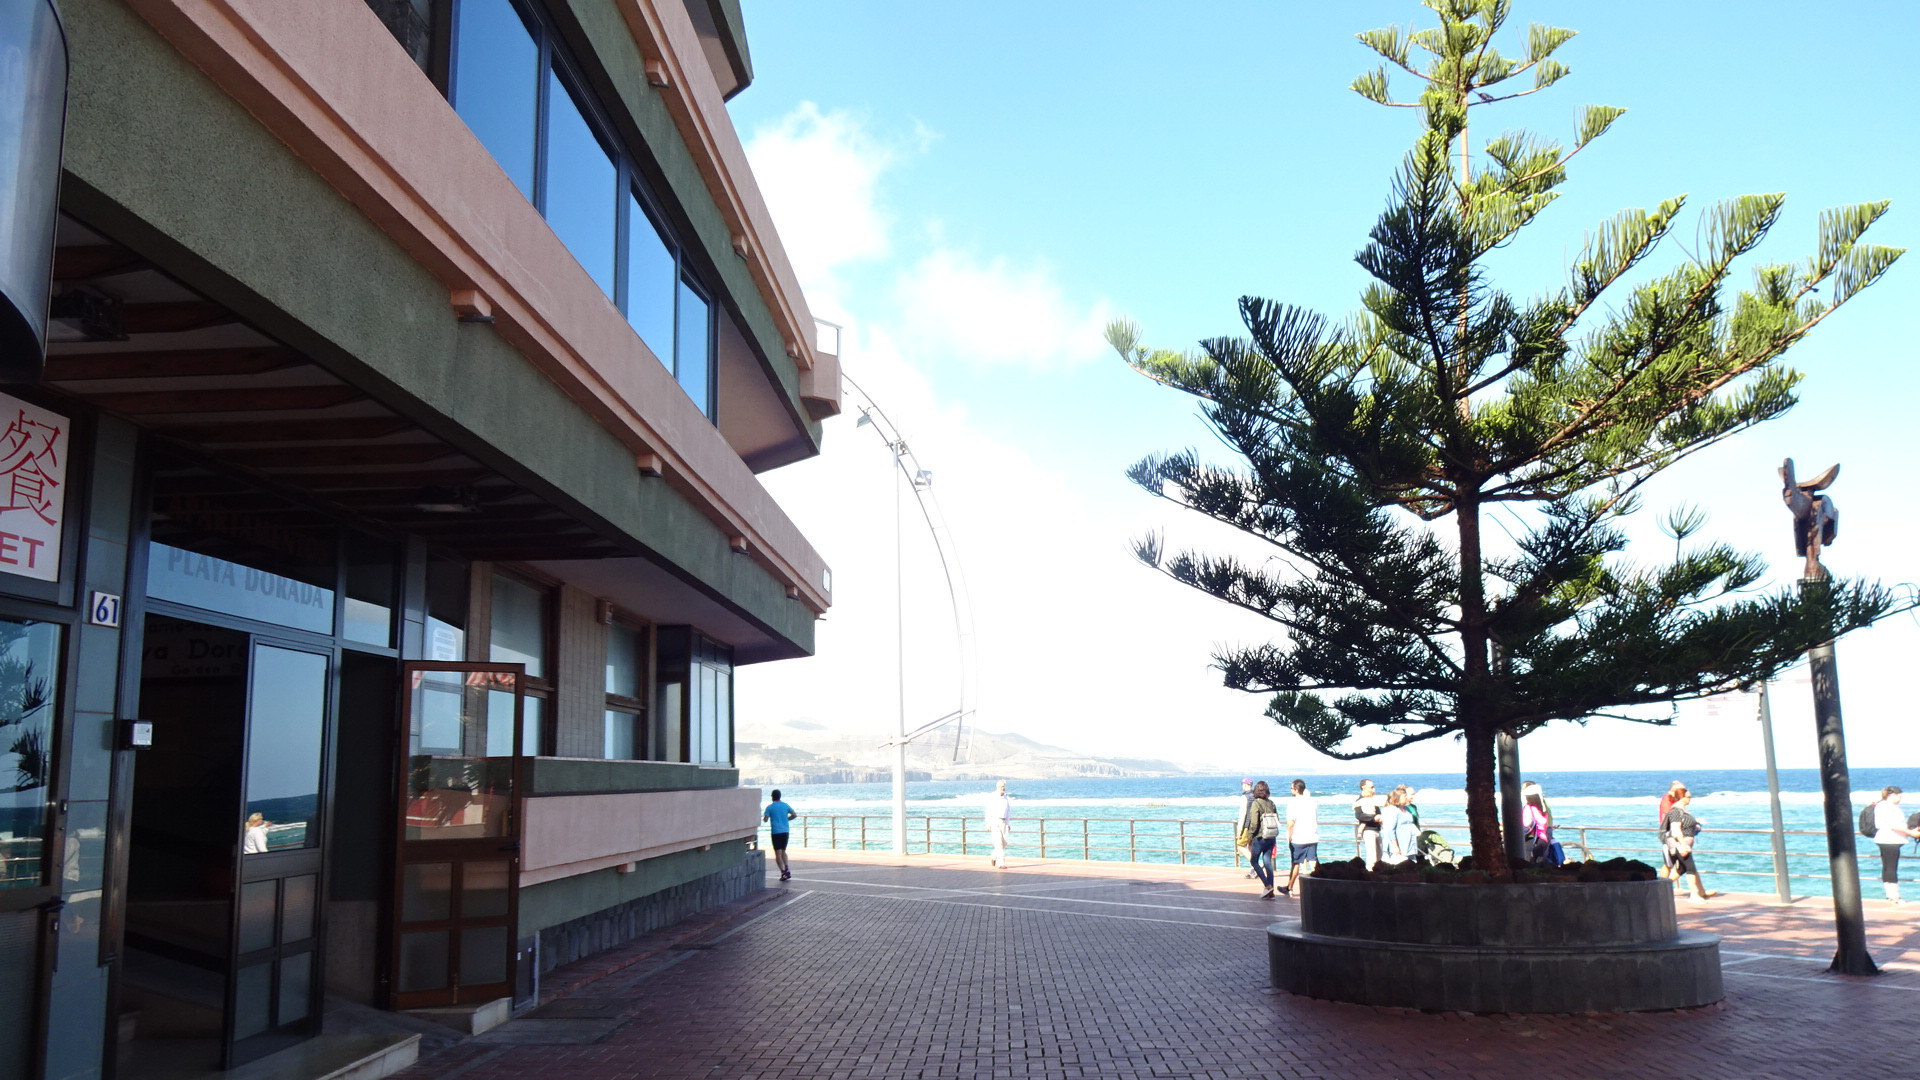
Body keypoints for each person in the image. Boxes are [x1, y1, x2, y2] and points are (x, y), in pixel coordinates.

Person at [1662, 787, 1715, 901]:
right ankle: (1694, 895)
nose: (1690, 799)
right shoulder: (1676, 811)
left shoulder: (1683, 810)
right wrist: (1683, 845)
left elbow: (1685, 825)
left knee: (1682, 869)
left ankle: (1660, 887)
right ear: (1682, 797)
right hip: (1679, 844)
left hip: (1684, 843)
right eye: (1688, 797)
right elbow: (1676, 830)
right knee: (1690, 868)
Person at [1869, 786, 1920, 904]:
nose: (1900, 799)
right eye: (1899, 796)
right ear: (1892, 795)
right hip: (1890, 840)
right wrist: (1911, 832)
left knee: (1887, 867)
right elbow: (1893, 825)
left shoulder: (1882, 806)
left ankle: (1890, 895)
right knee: (1891, 867)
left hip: (1885, 839)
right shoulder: (1887, 807)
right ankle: (1895, 896)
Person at [1240, 781, 1281, 898]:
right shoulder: (1271, 803)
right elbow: (1277, 818)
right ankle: (1270, 891)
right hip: (1271, 836)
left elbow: (1254, 823)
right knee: (1267, 862)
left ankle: (1268, 886)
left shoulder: (1256, 803)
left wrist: (1250, 835)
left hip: (1260, 837)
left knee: (1254, 861)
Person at [1283, 779, 1319, 896]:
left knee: (1296, 863)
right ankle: (1319, 885)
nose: (1291, 790)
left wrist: (1290, 835)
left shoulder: (1292, 803)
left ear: (1295, 789)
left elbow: (1290, 823)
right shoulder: (1312, 801)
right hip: (1312, 836)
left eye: (1291, 788)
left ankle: (1290, 888)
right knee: (1313, 861)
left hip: (1298, 837)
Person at [1521, 781, 1562, 866]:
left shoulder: (1529, 807)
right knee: (1541, 860)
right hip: (1544, 835)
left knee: (1529, 861)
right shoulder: (1542, 806)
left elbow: (1526, 823)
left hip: (1533, 837)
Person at [763, 789, 800, 881]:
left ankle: (783, 872)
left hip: (776, 832)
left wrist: (765, 818)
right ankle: (787, 868)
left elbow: (765, 819)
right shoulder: (785, 805)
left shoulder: (770, 807)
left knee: (778, 853)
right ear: (780, 796)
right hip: (785, 831)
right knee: (783, 851)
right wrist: (787, 819)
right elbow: (794, 815)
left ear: (772, 797)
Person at [1655, 780, 1686, 880]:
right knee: (1676, 865)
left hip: (1673, 835)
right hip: (1669, 835)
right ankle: (1663, 885)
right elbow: (1668, 819)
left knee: (1671, 864)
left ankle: (1663, 885)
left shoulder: (1675, 801)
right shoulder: (1668, 802)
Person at [1380, 787, 1418, 866]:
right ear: (1398, 797)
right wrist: (1395, 847)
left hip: (1411, 843)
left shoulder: (1407, 809)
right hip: (1400, 844)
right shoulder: (1394, 810)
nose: (1406, 797)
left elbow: (1411, 824)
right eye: (1404, 796)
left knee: (1413, 865)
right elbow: (1391, 830)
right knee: (1400, 866)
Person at [1353, 779, 1383, 867]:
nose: (1374, 789)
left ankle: (1377, 873)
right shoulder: (1360, 801)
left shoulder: (1371, 799)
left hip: (1377, 829)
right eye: (1371, 787)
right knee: (1372, 857)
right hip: (1368, 830)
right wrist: (1374, 818)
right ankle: (1370, 872)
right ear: (1364, 787)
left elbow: (1378, 812)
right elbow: (1359, 815)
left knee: (1379, 856)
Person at [987, 780, 1013, 868]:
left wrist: (1008, 823)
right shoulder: (993, 797)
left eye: (1004, 786)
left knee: (1004, 842)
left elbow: (1008, 811)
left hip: (1004, 822)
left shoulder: (1006, 798)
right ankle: (1001, 863)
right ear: (998, 787)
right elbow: (988, 811)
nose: (1004, 788)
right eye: (1002, 786)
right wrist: (988, 824)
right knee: (998, 843)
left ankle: (994, 856)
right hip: (995, 822)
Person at [1238, 777, 1257, 876]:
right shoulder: (1256, 795)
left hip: (1247, 825)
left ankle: (1256, 864)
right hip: (1256, 825)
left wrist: (1239, 830)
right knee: (1251, 847)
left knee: (1240, 846)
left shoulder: (1245, 797)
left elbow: (1242, 814)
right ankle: (1253, 871)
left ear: (1245, 784)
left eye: (1242, 784)